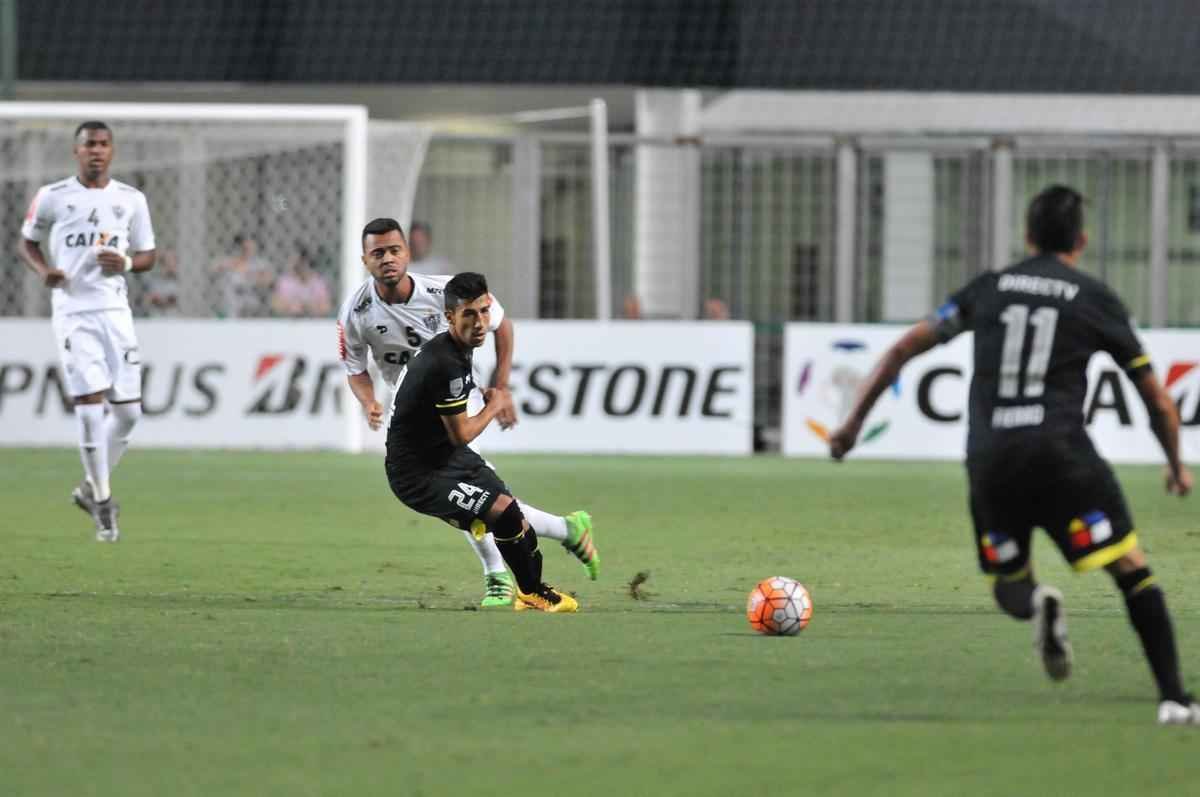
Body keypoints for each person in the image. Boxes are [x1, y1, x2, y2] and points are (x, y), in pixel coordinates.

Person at [829, 185, 1196, 725]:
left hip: (992, 459)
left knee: (1011, 584)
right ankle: (1173, 698)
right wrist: (1176, 463)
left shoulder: (991, 289)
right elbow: (1155, 398)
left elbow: (903, 349)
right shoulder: (1093, 297)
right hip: (1062, 456)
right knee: (1128, 567)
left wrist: (852, 426)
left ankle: (1040, 603)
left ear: (1027, 236)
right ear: (1082, 240)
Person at [338, 218, 598, 608]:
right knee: (478, 500)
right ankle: (564, 531)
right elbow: (354, 368)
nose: (388, 259)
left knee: (475, 498)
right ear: (365, 260)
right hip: (411, 409)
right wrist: (368, 401)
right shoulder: (355, 312)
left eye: (394, 250)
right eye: (378, 253)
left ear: (408, 253)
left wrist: (501, 387)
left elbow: (503, 326)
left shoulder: (445, 293)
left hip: (458, 398)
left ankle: (499, 576)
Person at [385, 271, 579, 612]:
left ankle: (525, 584)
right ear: (449, 317)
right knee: (502, 514)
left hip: (445, 458)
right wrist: (496, 402)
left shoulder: (457, 349)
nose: (480, 323)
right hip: (417, 475)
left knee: (511, 512)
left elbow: (454, 438)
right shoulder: (444, 363)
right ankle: (532, 592)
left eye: (485, 311)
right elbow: (462, 433)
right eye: (469, 314)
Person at [17, 121, 157, 542]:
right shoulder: (52, 196)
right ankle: (103, 500)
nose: (96, 151)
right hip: (73, 313)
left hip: (116, 313)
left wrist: (129, 264)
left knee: (129, 413)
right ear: (76, 152)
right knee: (90, 404)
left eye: (103, 144)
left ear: (111, 151)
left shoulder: (131, 200)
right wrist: (44, 271)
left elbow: (148, 253)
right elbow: (27, 242)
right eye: (88, 145)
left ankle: (87, 488)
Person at [214, 234, 272, 318]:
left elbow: (268, 279)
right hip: (231, 296)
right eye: (245, 248)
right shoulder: (230, 260)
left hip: (251, 294)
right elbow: (215, 267)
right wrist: (233, 264)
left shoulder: (259, 263)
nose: (249, 251)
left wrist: (251, 275)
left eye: (250, 248)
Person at [271, 246, 332, 317]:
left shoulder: (317, 282)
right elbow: (275, 305)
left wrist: (308, 306)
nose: (298, 267)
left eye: (300, 263)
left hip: (314, 321)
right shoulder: (285, 281)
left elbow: (326, 307)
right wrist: (290, 306)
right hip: (288, 320)